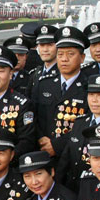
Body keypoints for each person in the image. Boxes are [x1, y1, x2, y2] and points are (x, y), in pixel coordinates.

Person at [56, 74, 100, 192]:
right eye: (91, 94)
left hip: (94, 191)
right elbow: (66, 157)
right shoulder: (80, 121)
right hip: (70, 187)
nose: (94, 100)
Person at [35, 26, 90, 158]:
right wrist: (41, 138)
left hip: (72, 153)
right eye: (60, 54)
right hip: (43, 151)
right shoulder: (44, 83)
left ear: (82, 58)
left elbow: (87, 125)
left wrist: (56, 145)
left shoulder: (88, 87)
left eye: (70, 54)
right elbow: (33, 115)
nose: (64, 59)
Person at [24, 24, 58, 98]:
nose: (45, 50)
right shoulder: (34, 74)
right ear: (37, 46)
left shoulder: (63, 75)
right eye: (42, 45)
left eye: (50, 45)